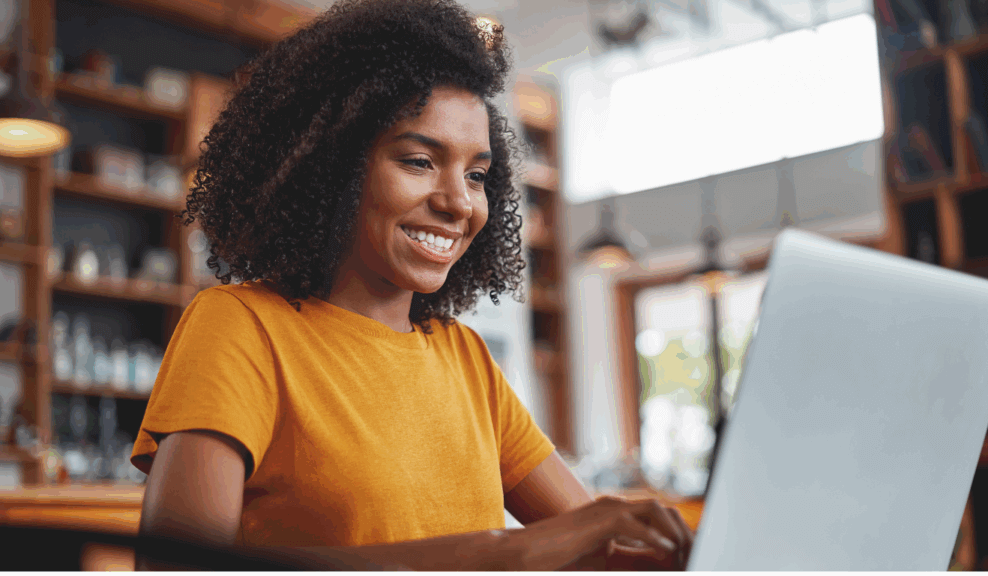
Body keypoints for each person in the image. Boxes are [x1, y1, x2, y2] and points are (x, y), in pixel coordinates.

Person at [131, 0, 692, 570]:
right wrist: (508, 552)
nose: (459, 203)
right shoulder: (241, 327)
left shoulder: (463, 357)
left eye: (476, 175)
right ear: (332, 168)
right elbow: (176, 566)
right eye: (420, 161)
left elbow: (596, 545)